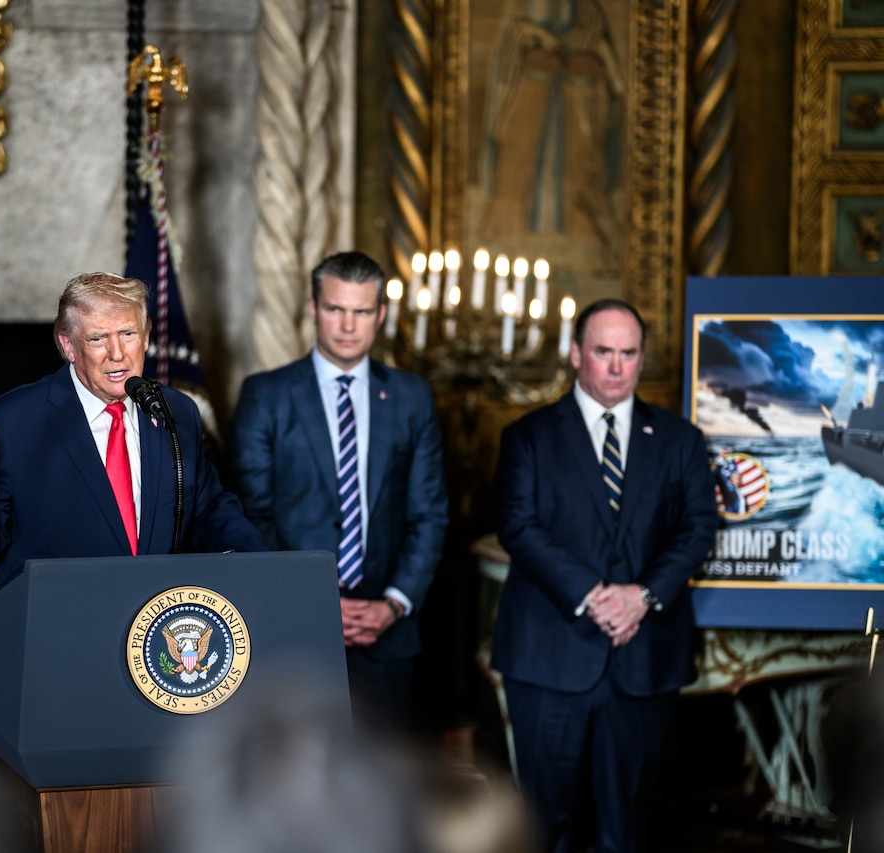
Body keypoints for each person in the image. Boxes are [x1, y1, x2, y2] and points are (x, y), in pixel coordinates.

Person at [0, 272, 267, 736]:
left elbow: (210, 510)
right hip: (49, 668)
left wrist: (270, 572)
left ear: (146, 336)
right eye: (98, 338)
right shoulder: (12, 422)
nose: (117, 353)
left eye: (128, 334)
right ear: (68, 345)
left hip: (151, 665)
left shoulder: (175, 413)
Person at [489, 298, 717, 853]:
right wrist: (593, 596)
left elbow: (697, 528)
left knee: (629, 832)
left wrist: (642, 596)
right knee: (547, 830)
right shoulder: (529, 437)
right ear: (575, 354)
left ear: (642, 359)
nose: (616, 367)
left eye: (629, 353)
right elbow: (518, 527)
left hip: (642, 663)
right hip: (549, 659)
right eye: (603, 352)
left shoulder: (679, 440)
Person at [231, 251, 448, 731]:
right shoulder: (265, 395)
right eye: (335, 309)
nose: (348, 325)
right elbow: (251, 517)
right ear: (312, 309)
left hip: (387, 633)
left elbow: (428, 514)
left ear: (381, 315)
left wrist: (393, 602)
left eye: (362, 311)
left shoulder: (412, 397)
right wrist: (316, 598)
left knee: (384, 788)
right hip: (293, 629)